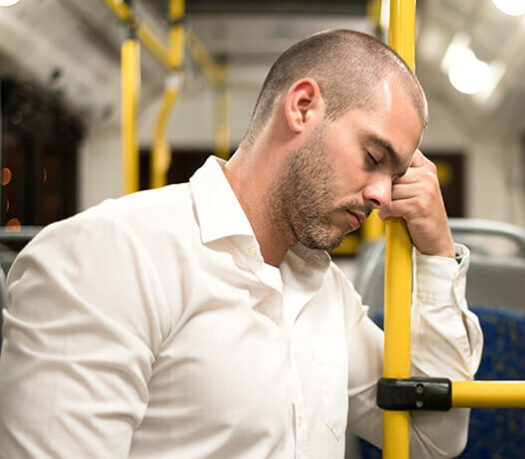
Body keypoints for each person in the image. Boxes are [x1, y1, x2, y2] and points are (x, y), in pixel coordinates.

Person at [0, 30, 482, 457]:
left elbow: (431, 439)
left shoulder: (326, 294)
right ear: (302, 107)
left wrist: (437, 253)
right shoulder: (111, 256)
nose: (382, 194)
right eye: (373, 156)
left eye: (394, 175)